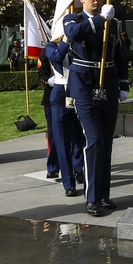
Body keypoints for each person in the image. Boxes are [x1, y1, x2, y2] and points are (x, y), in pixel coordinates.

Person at [63, 0, 130, 217]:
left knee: (106, 143)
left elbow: (119, 54)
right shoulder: (73, 19)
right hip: (84, 87)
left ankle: (104, 194)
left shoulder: (113, 24)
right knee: (94, 141)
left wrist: (123, 83)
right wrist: (100, 19)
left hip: (108, 86)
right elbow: (74, 34)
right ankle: (91, 198)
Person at [45, 38, 86, 198]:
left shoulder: (79, 43)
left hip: (79, 91)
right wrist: (65, 41)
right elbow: (56, 57)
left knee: (81, 138)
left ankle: (79, 169)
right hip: (60, 94)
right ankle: (69, 183)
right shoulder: (52, 45)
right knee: (62, 142)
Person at [38, 45, 61, 181]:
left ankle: (76, 167)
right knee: (53, 134)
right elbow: (42, 73)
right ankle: (53, 167)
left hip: (71, 95)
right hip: (52, 96)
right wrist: (48, 80)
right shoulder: (46, 51)